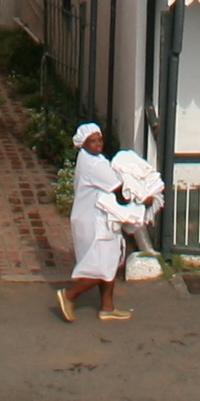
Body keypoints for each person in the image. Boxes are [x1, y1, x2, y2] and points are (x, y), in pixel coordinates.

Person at [57, 122, 135, 323]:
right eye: (93, 141)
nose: (98, 144)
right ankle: (69, 295)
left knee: (109, 262)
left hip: (94, 218)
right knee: (102, 266)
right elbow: (120, 189)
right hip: (95, 221)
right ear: (83, 144)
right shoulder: (94, 165)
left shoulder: (91, 158)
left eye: (100, 140)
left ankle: (107, 307)